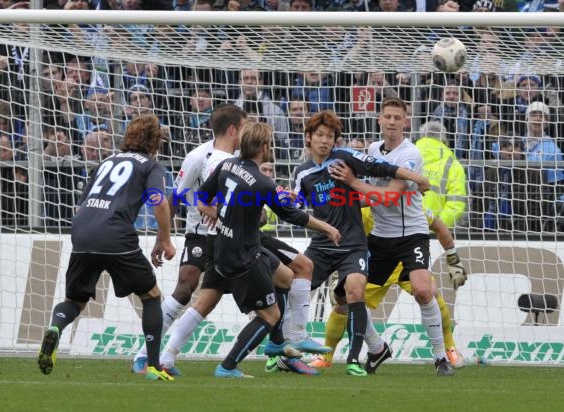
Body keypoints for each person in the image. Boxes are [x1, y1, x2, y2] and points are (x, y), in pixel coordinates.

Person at [291, 109, 430, 376]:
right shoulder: (302, 173)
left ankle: (353, 359)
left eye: (330, 136)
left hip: (353, 244)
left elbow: (383, 168)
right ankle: (283, 349)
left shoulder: (344, 159)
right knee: (292, 286)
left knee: (355, 291)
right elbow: (295, 206)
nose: (324, 140)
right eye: (319, 135)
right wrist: (281, 200)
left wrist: (416, 177)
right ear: (308, 138)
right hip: (320, 245)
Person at [37, 114, 176, 381]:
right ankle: (154, 366)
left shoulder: (106, 162)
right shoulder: (150, 165)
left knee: (74, 300)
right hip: (115, 235)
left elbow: (81, 205)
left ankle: (55, 327)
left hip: (82, 231)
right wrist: (165, 239)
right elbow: (158, 201)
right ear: (154, 141)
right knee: (151, 295)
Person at [198, 121, 341, 377]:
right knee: (270, 315)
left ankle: (277, 343)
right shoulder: (263, 183)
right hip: (241, 257)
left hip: (231, 245)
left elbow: (201, 197)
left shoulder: (225, 165)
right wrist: (326, 227)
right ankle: (228, 366)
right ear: (264, 147)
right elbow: (294, 216)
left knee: (287, 277)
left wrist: (221, 217)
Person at [329, 97, 455, 376]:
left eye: (398, 118)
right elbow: (367, 197)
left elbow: (388, 197)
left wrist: (351, 182)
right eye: (388, 117)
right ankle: (377, 347)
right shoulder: (373, 149)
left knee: (424, 290)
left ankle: (441, 358)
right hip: (379, 238)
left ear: (406, 122)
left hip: (412, 235)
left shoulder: (410, 154)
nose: (392, 122)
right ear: (380, 120)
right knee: (344, 295)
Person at [131, 103, 248, 375]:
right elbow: (177, 196)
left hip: (230, 237)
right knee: (185, 286)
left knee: (212, 296)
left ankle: (168, 357)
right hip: (199, 234)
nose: (247, 131)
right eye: (244, 126)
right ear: (232, 129)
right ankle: (144, 356)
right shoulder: (198, 157)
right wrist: (164, 238)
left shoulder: (242, 158)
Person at [310, 206, 468, 371]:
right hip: (377, 259)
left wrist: (453, 259)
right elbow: (345, 238)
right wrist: (343, 269)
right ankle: (328, 356)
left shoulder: (408, 208)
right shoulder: (363, 212)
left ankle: (449, 347)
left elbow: (438, 226)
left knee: (430, 292)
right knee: (345, 302)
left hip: (405, 263)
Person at [416, 121, 467, 228]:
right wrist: (436, 227)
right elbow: (456, 204)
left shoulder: (405, 155)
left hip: (403, 230)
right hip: (435, 233)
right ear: (444, 138)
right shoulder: (453, 164)